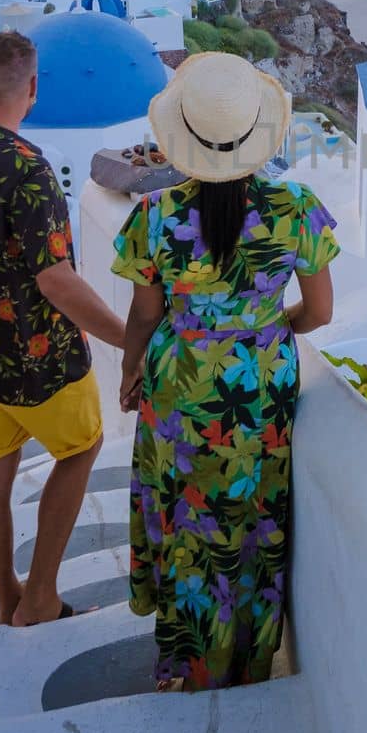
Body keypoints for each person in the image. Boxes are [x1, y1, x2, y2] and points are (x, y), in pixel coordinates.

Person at [113, 52, 339, 691]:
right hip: (259, 386)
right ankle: (245, 659)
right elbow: (319, 313)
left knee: (187, 515)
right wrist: (266, 331)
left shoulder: (154, 215)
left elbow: (142, 316)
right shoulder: (296, 207)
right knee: (253, 519)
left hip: (179, 380)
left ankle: (186, 659)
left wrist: (130, 369)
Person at [0, 30, 127, 627]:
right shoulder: (28, 168)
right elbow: (56, 281)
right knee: (82, 447)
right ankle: (39, 598)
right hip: (39, 361)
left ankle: (5, 597)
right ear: (32, 89)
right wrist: (125, 336)